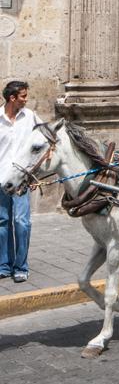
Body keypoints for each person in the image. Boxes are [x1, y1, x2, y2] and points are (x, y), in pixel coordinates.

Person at [0, 81, 39, 282]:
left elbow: (44, 141)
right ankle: (4, 265)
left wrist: (34, 174)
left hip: (22, 180)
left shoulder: (30, 117)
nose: (26, 99)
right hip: (1, 179)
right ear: (12, 98)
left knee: (21, 222)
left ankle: (21, 266)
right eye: (23, 96)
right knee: (2, 222)